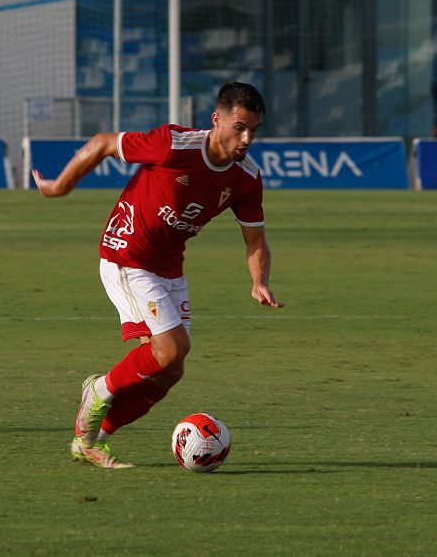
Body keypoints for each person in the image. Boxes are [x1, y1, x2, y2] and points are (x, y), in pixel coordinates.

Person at [32, 82, 284, 469]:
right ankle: (98, 391)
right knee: (171, 348)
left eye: (254, 130)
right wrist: (59, 186)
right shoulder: (174, 144)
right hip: (127, 255)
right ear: (217, 119)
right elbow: (102, 142)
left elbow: (255, 239)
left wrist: (259, 280)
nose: (246, 138)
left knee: (171, 369)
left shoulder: (247, 178)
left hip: (168, 266)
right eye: (239, 127)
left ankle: (91, 440)